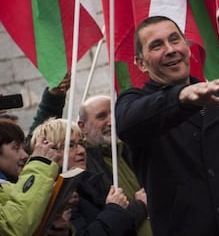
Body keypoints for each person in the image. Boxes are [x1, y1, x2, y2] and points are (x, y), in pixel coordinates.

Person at [115, 15, 219, 236]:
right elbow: (128, 123)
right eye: (157, 45)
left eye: (175, 40)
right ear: (141, 63)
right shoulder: (136, 103)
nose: (170, 50)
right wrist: (181, 98)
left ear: (187, 46)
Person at [31, 118, 137, 235]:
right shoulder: (53, 196)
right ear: (49, 151)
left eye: (81, 143)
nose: (81, 151)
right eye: (70, 145)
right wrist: (114, 210)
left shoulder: (89, 184)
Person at [78, 95, 152, 236]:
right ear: (83, 126)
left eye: (114, 113)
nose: (111, 121)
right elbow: (105, 220)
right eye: (101, 117)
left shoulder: (131, 149)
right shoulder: (84, 166)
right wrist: (139, 206)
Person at [0, 118, 62, 235]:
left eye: (23, 148)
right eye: (15, 148)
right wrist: (40, 165)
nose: (25, 155)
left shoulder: (9, 185)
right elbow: (12, 228)